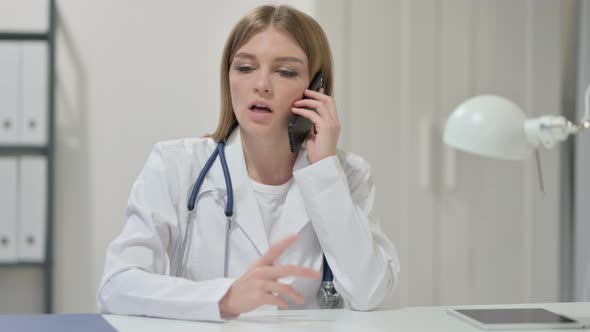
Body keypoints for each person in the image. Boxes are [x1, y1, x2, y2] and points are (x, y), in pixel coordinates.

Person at [97, 4, 399, 322]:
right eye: (245, 68)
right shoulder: (177, 165)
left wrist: (323, 170)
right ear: (228, 77)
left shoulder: (346, 174)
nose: (262, 84)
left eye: (285, 72)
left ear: (316, 89)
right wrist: (223, 298)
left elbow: (370, 293)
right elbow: (116, 286)